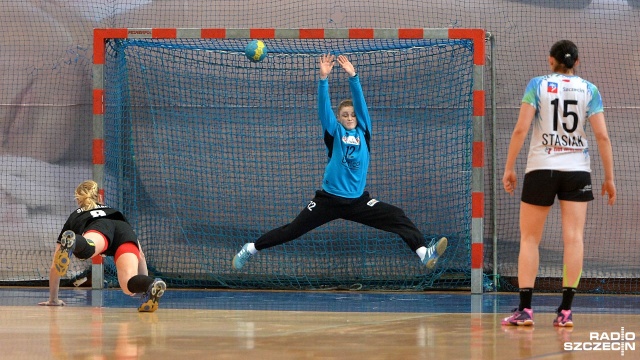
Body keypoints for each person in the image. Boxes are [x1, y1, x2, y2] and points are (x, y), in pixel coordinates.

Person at [232, 53, 447, 271]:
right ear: (339, 118)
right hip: (329, 200)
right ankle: (250, 248)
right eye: (345, 115)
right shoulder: (334, 132)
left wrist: (353, 76)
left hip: (358, 202)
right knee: (292, 230)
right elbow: (324, 109)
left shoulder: (364, 131)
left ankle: (423, 253)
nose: (350, 117)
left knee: (396, 216)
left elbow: (361, 104)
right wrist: (323, 79)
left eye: (353, 114)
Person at [501, 40, 616, 327]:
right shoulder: (590, 90)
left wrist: (509, 167)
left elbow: (521, 128)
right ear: (577, 62)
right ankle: (565, 312)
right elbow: (602, 136)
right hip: (577, 170)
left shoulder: (537, 84)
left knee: (529, 239)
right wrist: (610, 178)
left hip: (541, 168)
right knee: (574, 239)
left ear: (550, 60)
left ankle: (525, 310)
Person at [38, 180, 166, 312]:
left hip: (99, 226)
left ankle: (74, 241)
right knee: (128, 285)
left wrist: (53, 299)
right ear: (100, 197)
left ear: (78, 200)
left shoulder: (76, 215)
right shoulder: (115, 212)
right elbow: (141, 255)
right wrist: (143, 285)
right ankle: (151, 284)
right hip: (123, 231)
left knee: (88, 248)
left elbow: (55, 266)